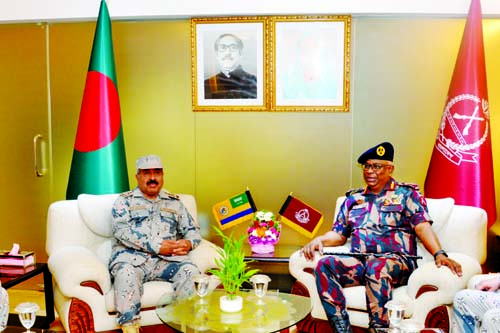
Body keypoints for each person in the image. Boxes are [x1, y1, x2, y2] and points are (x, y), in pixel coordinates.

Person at [301, 141, 463, 333]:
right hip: (360, 261)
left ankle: (379, 329)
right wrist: (320, 240)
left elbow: (421, 227)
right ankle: (341, 329)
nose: (370, 171)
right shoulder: (353, 199)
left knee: (376, 267)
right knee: (324, 264)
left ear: (390, 168)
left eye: (376, 166)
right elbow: (338, 234)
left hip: (396, 262)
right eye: (367, 166)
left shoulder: (406, 194)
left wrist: (439, 253)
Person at [109, 155, 202, 333]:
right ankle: (130, 328)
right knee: (126, 273)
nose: (152, 178)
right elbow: (121, 231)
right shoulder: (124, 201)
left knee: (191, 273)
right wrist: (157, 246)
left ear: (162, 175)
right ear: (137, 176)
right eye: (146, 173)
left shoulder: (175, 203)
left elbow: (193, 230)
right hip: (132, 260)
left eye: (157, 172)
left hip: (167, 261)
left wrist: (188, 243)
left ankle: (184, 325)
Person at [204, 33, 257, 99]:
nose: (228, 52)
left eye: (233, 47)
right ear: (217, 55)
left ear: (240, 54)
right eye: (223, 47)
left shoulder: (255, 83)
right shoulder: (206, 85)